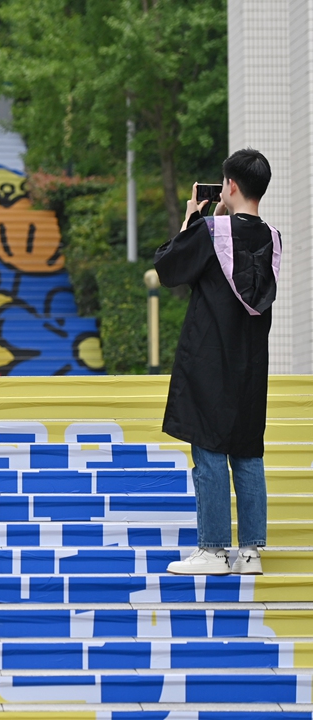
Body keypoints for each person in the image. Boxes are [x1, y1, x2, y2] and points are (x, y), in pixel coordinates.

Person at [156, 149, 281, 577]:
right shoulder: (272, 239)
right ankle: (249, 552)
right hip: (251, 363)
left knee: (209, 450)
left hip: (211, 360)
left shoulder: (211, 231)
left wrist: (192, 217)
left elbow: (170, 267)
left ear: (229, 186)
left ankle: (211, 550)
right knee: (247, 451)